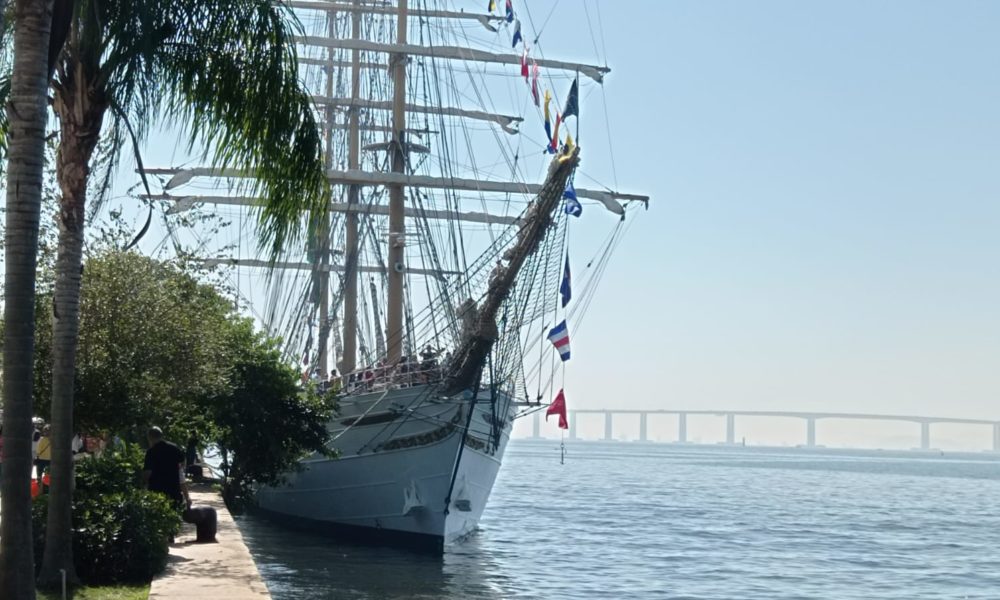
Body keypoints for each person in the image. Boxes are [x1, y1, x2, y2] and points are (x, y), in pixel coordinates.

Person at [143, 426, 189, 510]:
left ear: (150, 437)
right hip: (174, 491)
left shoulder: (151, 452)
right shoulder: (174, 448)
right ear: (161, 436)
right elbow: (183, 462)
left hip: (157, 492)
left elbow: (147, 473)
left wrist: (144, 483)